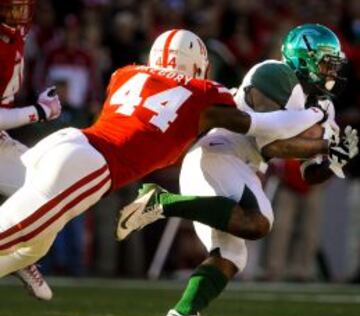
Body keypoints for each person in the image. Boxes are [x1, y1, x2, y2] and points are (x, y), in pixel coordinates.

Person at [0, 28, 328, 281]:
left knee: (35, 243)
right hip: (91, 165)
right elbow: (256, 123)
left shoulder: (125, 74)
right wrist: (315, 120)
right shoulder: (202, 93)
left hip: (64, 143)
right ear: (198, 65)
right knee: (16, 230)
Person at [116, 24, 358, 316]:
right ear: (304, 59)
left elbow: (309, 174)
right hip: (220, 154)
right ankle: (162, 202)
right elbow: (270, 144)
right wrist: (324, 146)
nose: (332, 70)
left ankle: (184, 315)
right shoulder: (276, 76)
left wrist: (335, 161)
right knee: (260, 221)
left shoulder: (324, 108)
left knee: (232, 253)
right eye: (326, 62)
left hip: (237, 168)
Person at [0, 0, 61, 300]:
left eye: (21, 6)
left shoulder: (14, 36)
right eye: (10, 7)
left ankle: (20, 256)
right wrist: (38, 111)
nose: (17, 14)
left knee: (50, 188)